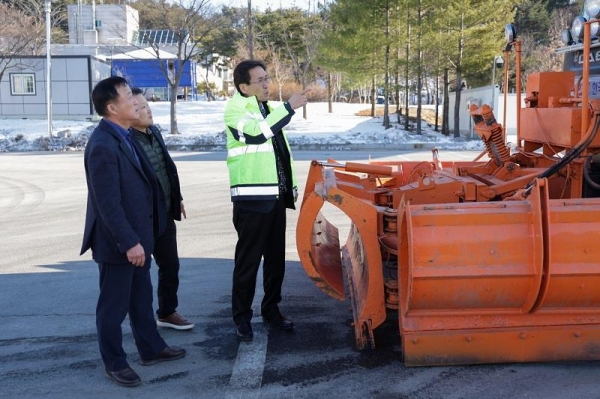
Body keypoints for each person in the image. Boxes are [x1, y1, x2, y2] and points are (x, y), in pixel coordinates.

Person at [81, 76, 186, 388]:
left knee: (141, 298)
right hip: (118, 243)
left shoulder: (125, 135)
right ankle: (114, 363)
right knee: (112, 308)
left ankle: (151, 348)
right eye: (129, 96)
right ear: (112, 108)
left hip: (139, 237)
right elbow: (107, 204)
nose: (136, 101)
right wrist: (129, 243)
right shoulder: (102, 144)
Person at [224, 59, 309, 341]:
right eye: (259, 80)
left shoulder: (267, 109)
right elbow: (257, 135)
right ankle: (242, 318)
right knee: (248, 263)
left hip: (274, 198)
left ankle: (271, 310)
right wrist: (289, 107)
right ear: (243, 86)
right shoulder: (235, 109)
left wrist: (291, 187)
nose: (266, 84)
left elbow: (281, 154)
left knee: (276, 262)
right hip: (251, 200)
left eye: (266, 77)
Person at [129, 87, 194, 331]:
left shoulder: (154, 132)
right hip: (143, 219)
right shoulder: (126, 141)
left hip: (164, 213)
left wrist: (177, 197)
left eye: (147, 104)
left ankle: (167, 312)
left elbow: (166, 168)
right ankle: (143, 324)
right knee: (141, 274)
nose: (148, 110)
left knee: (170, 266)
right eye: (141, 107)